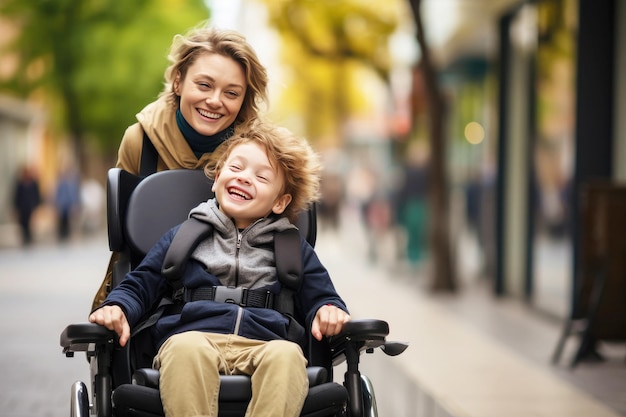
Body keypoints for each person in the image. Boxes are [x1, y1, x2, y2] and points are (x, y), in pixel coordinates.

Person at [89, 122, 351, 417]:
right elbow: (141, 283)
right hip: (193, 334)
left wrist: (328, 309)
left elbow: (322, 296)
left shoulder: (291, 248)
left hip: (266, 342)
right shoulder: (184, 237)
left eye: (261, 177)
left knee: (288, 356)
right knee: (185, 350)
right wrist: (118, 307)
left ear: (280, 202)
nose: (245, 178)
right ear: (216, 180)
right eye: (236, 168)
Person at [92, 24, 270, 308]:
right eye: (204, 85)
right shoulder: (140, 141)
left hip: (240, 300)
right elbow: (126, 244)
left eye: (231, 93)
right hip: (156, 297)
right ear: (178, 81)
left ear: (244, 99)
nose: (214, 101)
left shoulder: (262, 153)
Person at [13, 165, 41, 246]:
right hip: (22, 207)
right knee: (23, 223)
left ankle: (29, 237)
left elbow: (37, 195)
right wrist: (16, 207)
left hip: (30, 207)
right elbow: (16, 196)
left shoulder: (34, 183)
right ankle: (25, 237)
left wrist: (36, 205)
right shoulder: (20, 184)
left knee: (30, 223)